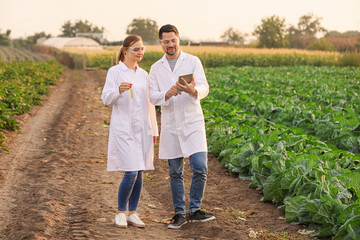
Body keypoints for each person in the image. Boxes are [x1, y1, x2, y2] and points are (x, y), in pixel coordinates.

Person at [149, 24, 215, 229]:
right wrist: (166, 94)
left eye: (173, 40)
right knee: (175, 171)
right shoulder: (155, 68)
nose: (170, 44)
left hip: (192, 120)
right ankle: (179, 213)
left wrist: (193, 90)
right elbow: (152, 96)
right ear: (161, 42)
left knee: (200, 166)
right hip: (171, 123)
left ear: (179, 39)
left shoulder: (193, 61)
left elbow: (205, 87)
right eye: (166, 41)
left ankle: (195, 209)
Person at [101, 35, 158, 228]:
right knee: (131, 171)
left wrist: (154, 129)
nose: (140, 53)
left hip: (142, 128)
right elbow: (106, 99)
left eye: (142, 49)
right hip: (124, 129)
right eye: (136, 50)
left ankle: (133, 212)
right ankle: (120, 212)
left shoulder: (144, 74)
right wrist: (118, 90)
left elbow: (150, 104)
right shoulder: (115, 71)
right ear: (125, 51)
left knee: (140, 171)